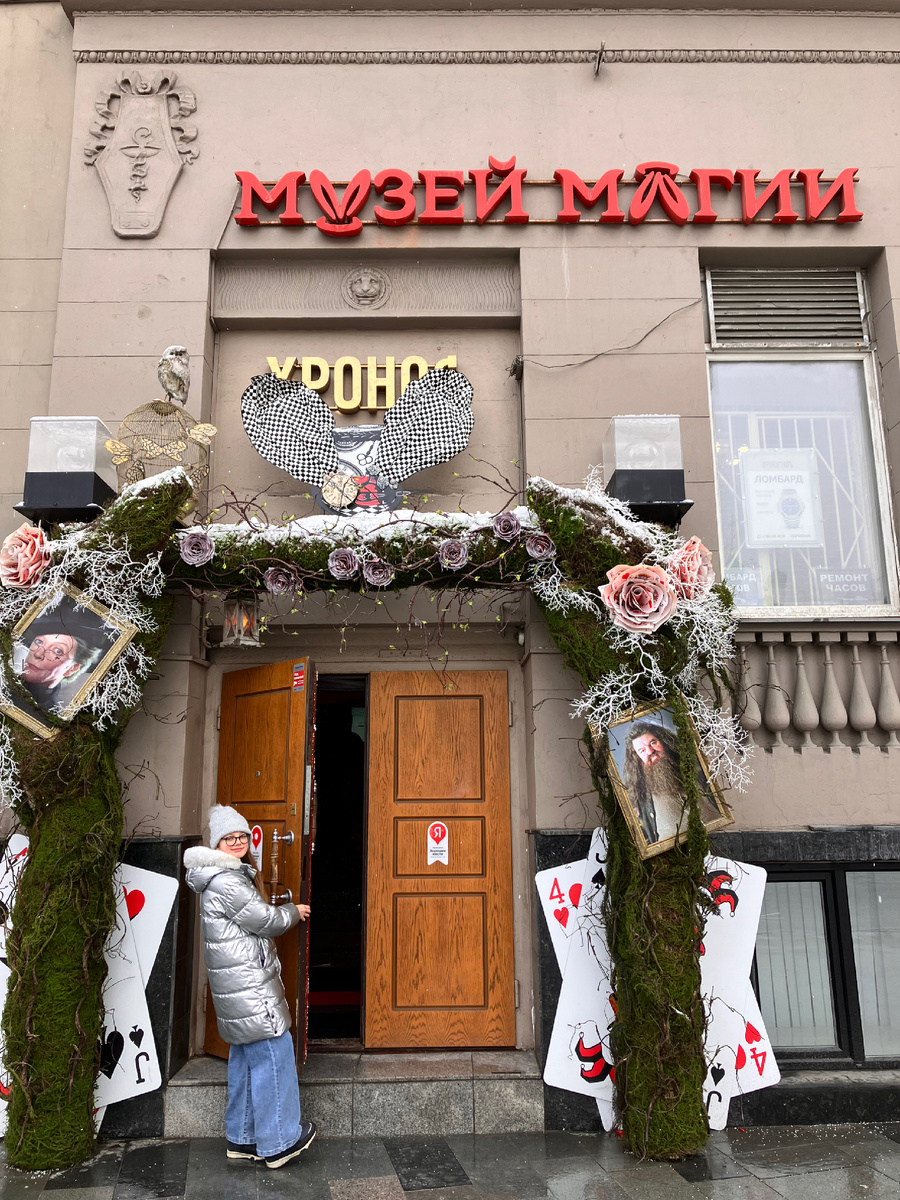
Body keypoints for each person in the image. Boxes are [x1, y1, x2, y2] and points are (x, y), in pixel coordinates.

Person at [184, 805, 316, 1169]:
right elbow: (264, 920)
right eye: (229, 838)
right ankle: (280, 1142)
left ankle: (242, 1138)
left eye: (241, 835)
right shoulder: (227, 881)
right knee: (275, 1051)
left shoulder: (219, 876)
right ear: (217, 844)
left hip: (236, 985)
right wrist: (293, 911)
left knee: (245, 1058)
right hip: (248, 985)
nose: (237, 842)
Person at [622, 720, 720, 846]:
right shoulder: (639, 797)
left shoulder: (697, 767)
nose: (650, 751)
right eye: (642, 750)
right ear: (637, 759)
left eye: (653, 743)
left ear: (665, 742)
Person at [13, 631, 104, 710]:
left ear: (72, 669)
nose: (38, 654)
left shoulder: (47, 715)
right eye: (39, 641)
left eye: (57, 651)